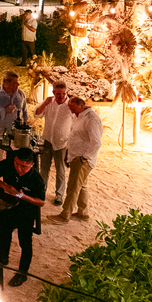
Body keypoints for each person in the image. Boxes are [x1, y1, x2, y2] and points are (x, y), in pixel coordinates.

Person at [0, 147, 46, 286]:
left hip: (26, 212)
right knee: (3, 232)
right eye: (17, 164)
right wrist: (5, 186)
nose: (19, 168)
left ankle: (22, 273)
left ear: (32, 165)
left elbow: (41, 202)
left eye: (24, 166)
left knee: (25, 242)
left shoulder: (37, 179)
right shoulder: (8, 164)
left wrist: (23, 196)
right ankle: (2, 258)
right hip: (8, 207)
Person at [52, 96, 104, 225]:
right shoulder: (78, 116)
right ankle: (82, 212)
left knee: (73, 187)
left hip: (82, 159)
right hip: (75, 156)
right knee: (82, 186)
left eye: (72, 107)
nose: (70, 110)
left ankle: (65, 215)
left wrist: (85, 157)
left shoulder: (91, 119)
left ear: (81, 105)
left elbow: (96, 143)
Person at [33, 81, 72, 205]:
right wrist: (44, 104)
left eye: (63, 93)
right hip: (47, 141)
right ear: (53, 92)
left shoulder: (70, 105)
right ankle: (41, 192)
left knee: (60, 170)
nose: (61, 96)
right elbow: (37, 114)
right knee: (44, 169)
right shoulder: (49, 102)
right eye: (58, 93)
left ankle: (59, 195)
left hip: (62, 143)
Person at [0, 71, 27, 164]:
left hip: (15, 134)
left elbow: (24, 111)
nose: (18, 84)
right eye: (15, 83)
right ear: (7, 84)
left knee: (14, 161)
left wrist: (25, 124)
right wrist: (4, 110)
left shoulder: (20, 94)